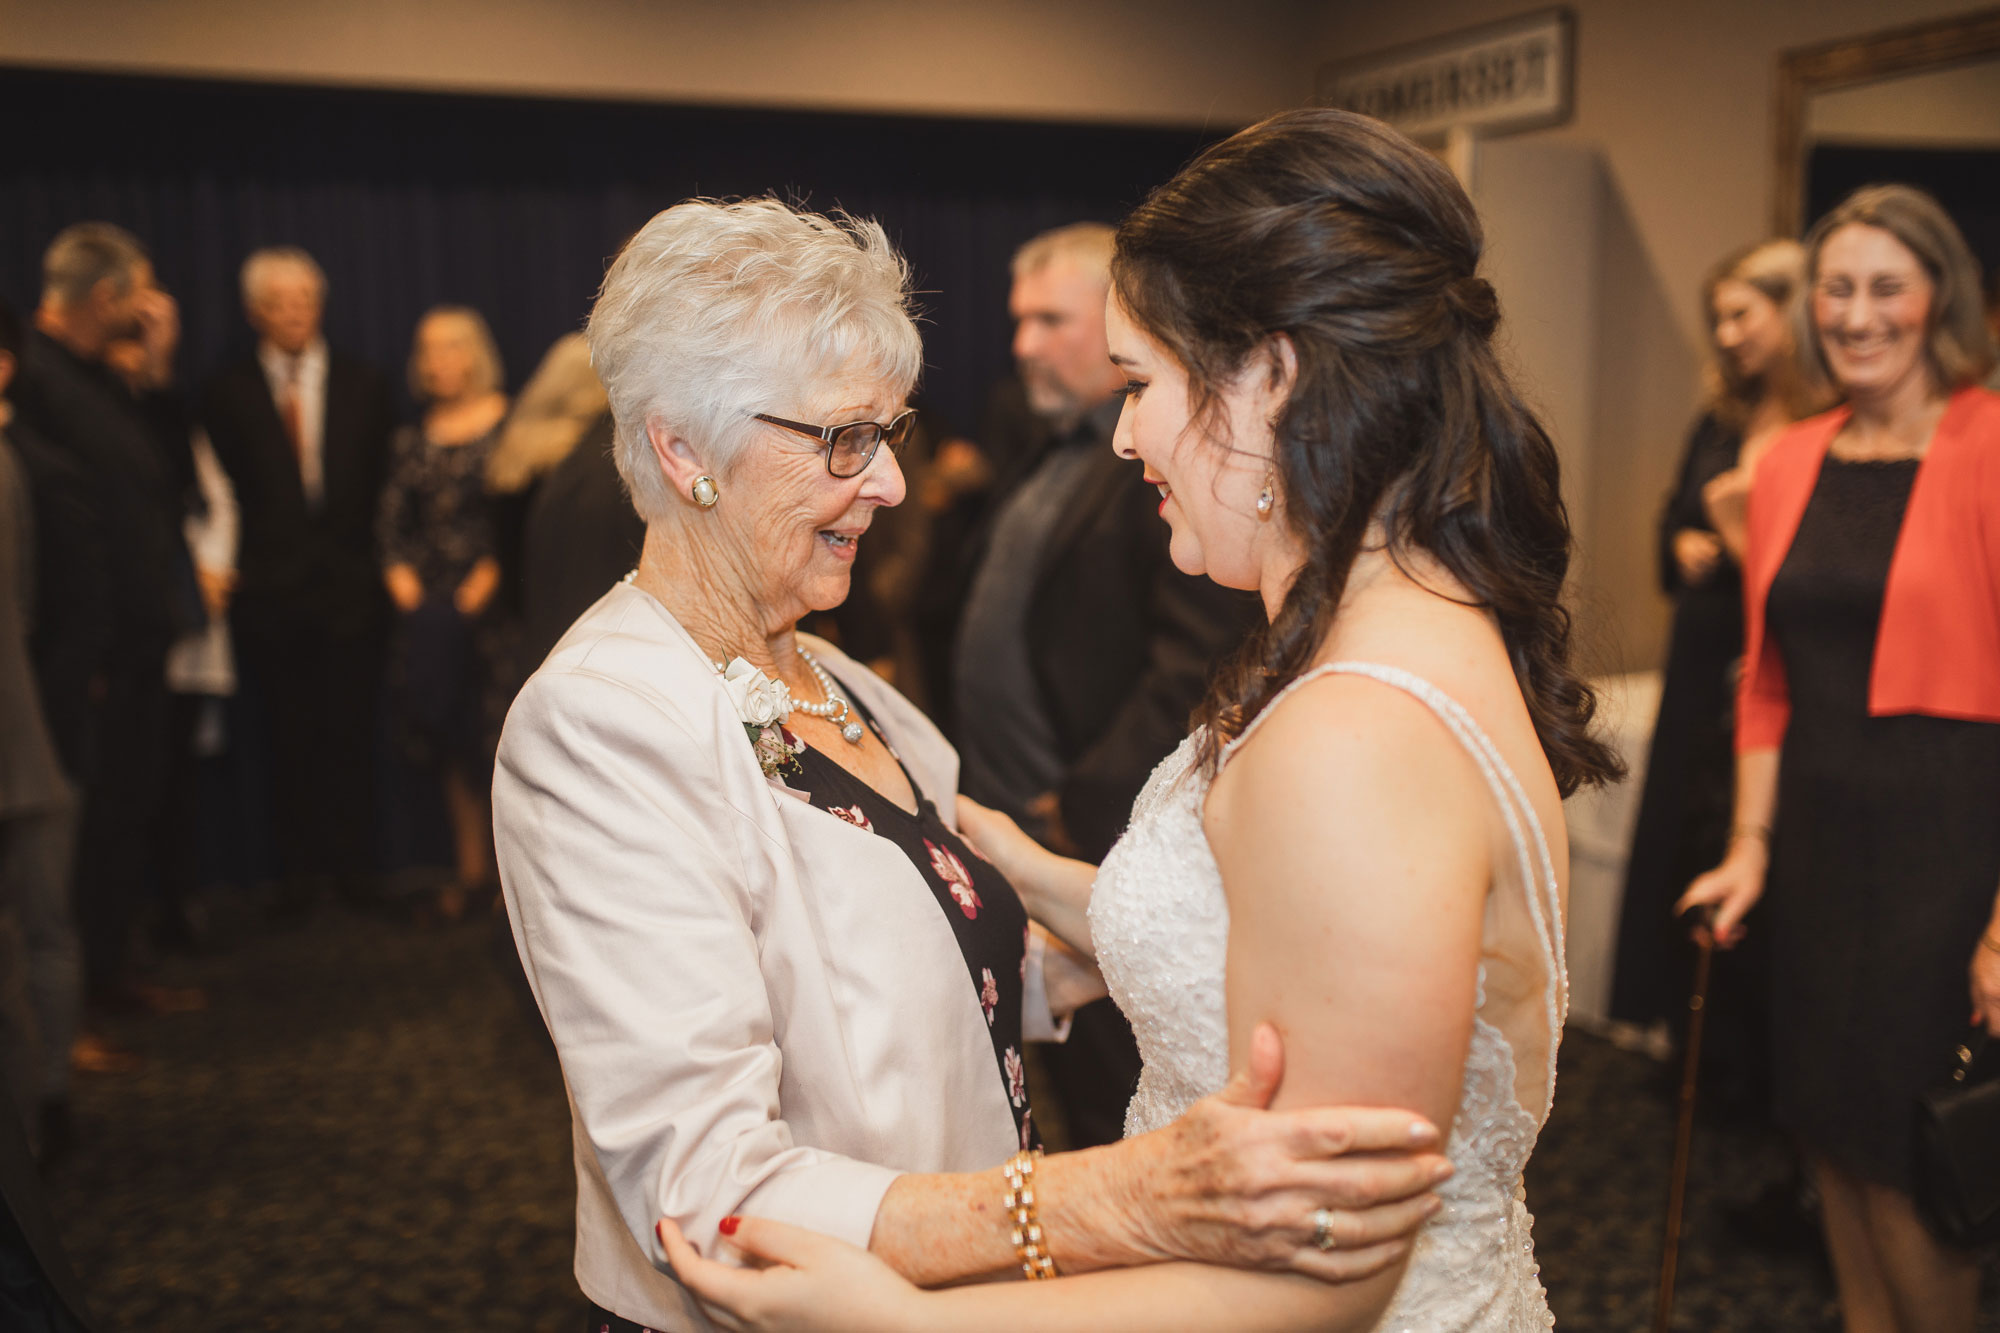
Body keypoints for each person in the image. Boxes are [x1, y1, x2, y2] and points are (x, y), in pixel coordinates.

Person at [658, 107, 1619, 1332]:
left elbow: (1320, 1274)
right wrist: (1026, 868)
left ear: (1268, 376)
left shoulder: (1349, 738)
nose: (1122, 434)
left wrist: (904, 1316)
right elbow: (1280, 946)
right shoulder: (1422, 620)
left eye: (1140, 383)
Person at [493, 197, 1453, 1333]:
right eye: (842, 439)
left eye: (887, 435)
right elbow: (709, 1200)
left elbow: (910, 978)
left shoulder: (847, 687)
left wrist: (1121, 951)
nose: (891, 485)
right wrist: (1125, 1194)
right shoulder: (599, 724)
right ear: (681, 447)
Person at [1678, 185, 2000, 1333]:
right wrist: (1748, 849)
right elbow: (1766, 677)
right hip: (1815, 848)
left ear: (1937, 302)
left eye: (1885, 289)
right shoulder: (1787, 459)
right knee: (1825, 1141)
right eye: (1835, 290)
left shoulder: (1987, 445)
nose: (1857, 315)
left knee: (1910, 1158)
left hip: (1948, 847)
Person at [954, 222, 1262, 1148]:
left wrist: (1076, 800)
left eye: (1052, 320)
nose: (1023, 347)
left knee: (1121, 1103)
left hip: (1103, 818)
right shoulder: (1049, 447)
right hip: (1048, 832)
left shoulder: (1167, 474)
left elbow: (1196, 660)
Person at [1610, 240, 1820, 1095]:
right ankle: (1684, 1028)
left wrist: (1739, 535)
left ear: (1791, 313)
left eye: (1744, 314)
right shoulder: (1721, 420)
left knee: (1750, 832)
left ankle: (1743, 1055)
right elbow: (1669, 519)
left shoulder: (1821, 425)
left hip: (1770, 661)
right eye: (1719, 318)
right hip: (1701, 653)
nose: (1728, 334)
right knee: (1684, 833)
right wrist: (1683, 542)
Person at [11, 224, 193, 1035]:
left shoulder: (99, 379)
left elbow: (167, 483)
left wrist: (154, 375)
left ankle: (107, 978)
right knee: (77, 837)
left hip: (131, 645)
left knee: (127, 811)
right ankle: (67, 1013)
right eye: (142, 293)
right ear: (107, 297)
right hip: (80, 657)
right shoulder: (37, 379)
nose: (152, 308)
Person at [199, 247, 396, 914]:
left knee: (350, 734)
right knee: (284, 740)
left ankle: (357, 872)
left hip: (351, 593)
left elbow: (382, 489)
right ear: (255, 313)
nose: (294, 315)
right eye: (280, 304)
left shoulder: (365, 384)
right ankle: (297, 880)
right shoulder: (225, 393)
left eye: (305, 301)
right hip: (269, 596)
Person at [377, 306, 511, 920]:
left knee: (497, 743)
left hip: (493, 616)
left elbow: (512, 524)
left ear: (475, 354)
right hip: (430, 620)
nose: (436, 361)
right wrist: (407, 589)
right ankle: (471, 871)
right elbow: (390, 527)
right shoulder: (411, 438)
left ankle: (516, 879)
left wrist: (480, 590)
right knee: (451, 746)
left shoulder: (508, 426)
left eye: (449, 348)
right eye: (426, 349)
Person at [0, 301, 82, 1157]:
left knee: (37, 933)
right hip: (27, 738)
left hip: (25, 745)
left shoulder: (19, 467)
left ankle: (42, 1107)